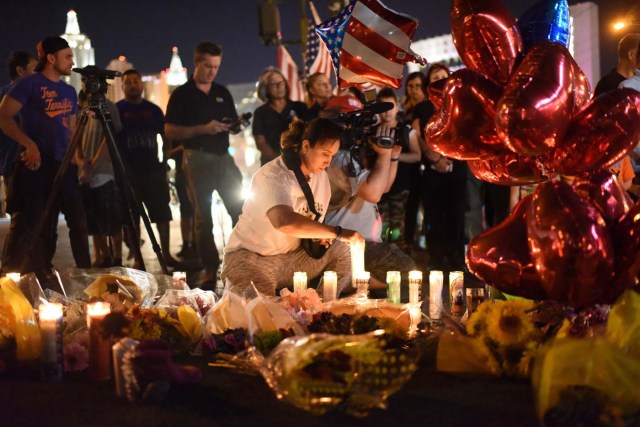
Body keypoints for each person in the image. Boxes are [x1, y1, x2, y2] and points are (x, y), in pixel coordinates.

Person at [222, 118, 363, 296]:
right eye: (325, 154)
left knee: (344, 248)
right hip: (251, 258)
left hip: (290, 260)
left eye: (332, 156)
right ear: (305, 146)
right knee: (267, 316)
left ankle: (322, 305)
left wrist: (319, 237)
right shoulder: (274, 175)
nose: (328, 162)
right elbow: (284, 221)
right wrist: (337, 232)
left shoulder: (321, 179)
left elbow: (312, 223)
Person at [0, 36, 90, 284]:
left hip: (64, 166)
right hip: (37, 166)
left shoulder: (69, 91)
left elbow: (71, 130)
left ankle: (87, 275)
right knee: (37, 224)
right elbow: (4, 116)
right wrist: (29, 144)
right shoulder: (29, 84)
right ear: (51, 58)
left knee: (79, 222)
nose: (72, 61)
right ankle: (37, 277)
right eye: (68, 56)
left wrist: (75, 160)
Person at [165, 42, 244, 287]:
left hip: (223, 156)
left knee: (240, 211)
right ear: (197, 63)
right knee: (203, 217)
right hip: (197, 157)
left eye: (216, 67)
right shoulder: (182, 94)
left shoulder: (222, 92)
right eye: (207, 66)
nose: (212, 71)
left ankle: (241, 261)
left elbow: (232, 121)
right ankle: (210, 268)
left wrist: (236, 125)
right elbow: (169, 130)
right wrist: (203, 129)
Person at [322, 95, 416, 291]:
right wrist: (383, 153)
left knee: (402, 272)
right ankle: (346, 284)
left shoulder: (348, 154)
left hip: (360, 241)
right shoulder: (337, 158)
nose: (367, 129)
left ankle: (352, 284)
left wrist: (394, 154)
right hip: (346, 243)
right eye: (362, 123)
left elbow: (384, 187)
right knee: (406, 272)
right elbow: (374, 193)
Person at [116, 69, 177, 268]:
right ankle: (137, 258)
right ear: (123, 86)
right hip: (128, 173)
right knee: (132, 217)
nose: (133, 85)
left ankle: (166, 254)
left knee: (162, 213)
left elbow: (166, 136)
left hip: (153, 170)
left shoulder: (154, 110)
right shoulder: (117, 110)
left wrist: (164, 161)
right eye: (128, 82)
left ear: (142, 85)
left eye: (136, 81)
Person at [413, 63, 468, 273]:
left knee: (456, 214)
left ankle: (456, 259)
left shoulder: (459, 104)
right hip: (432, 169)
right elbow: (417, 135)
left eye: (443, 76)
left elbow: (463, 133)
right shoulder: (423, 107)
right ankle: (436, 259)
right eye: (435, 76)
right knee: (433, 215)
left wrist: (449, 157)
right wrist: (434, 158)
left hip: (456, 166)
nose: (440, 79)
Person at [77, 88, 124, 268]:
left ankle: (117, 257)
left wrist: (93, 164)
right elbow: (76, 138)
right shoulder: (85, 109)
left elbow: (109, 137)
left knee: (112, 219)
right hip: (86, 174)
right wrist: (81, 162)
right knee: (94, 219)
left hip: (104, 171)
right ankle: (103, 255)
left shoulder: (109, 107)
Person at [375, 88, 421, 252]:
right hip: (377, 186)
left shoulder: (406, 131)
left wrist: (394, 156)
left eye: (390, 107)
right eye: (382, 108)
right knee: (380, 225)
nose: (387, 112)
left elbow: (417, 155)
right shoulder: (372, 130)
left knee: (397, 226)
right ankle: (382, 259)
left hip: (401, 185)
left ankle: (398, 259)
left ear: (397, 107)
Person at [0, 51, 37, 216]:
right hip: (21, 162)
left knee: (20, 216)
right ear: (20, 71)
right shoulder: (17, 95)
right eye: (34, 68)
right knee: (24, 216)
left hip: (11, 163)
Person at [252, 67, 307, 165]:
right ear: (265, 88)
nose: (279, 86)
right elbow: (261, 143)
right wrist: (280, 160)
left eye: (281, 83)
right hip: (271, 164)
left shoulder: (300, 107)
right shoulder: (260, 112)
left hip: (299, 162)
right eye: (274, 84)